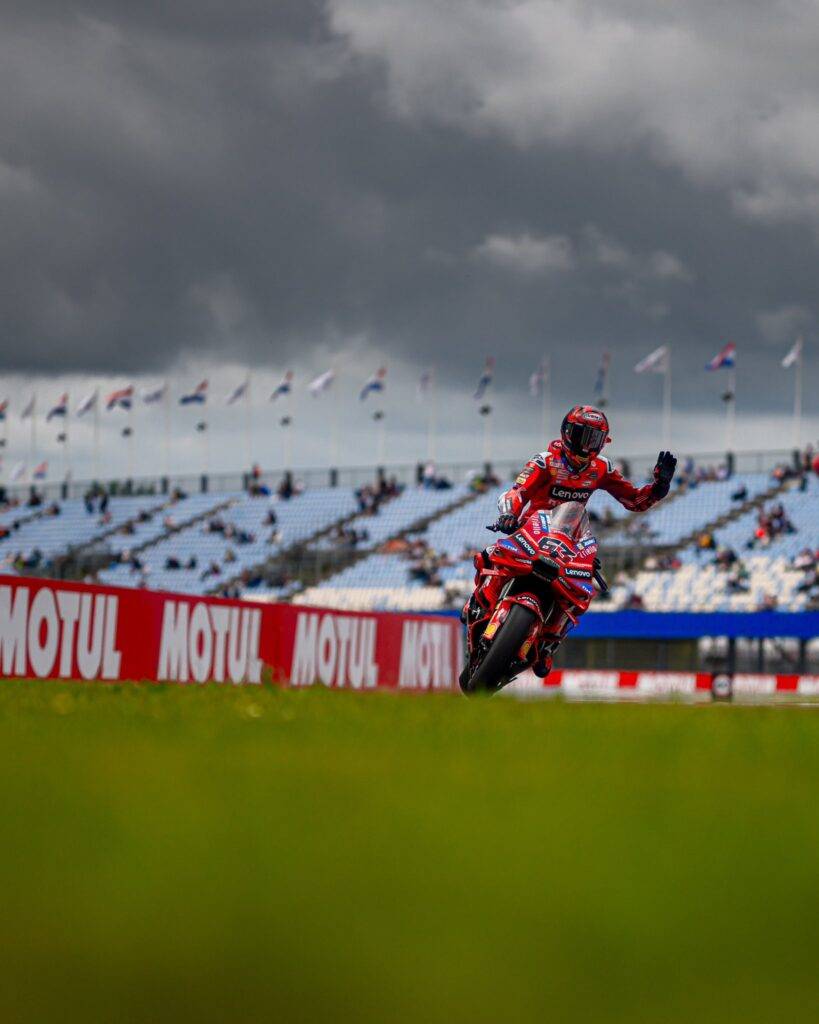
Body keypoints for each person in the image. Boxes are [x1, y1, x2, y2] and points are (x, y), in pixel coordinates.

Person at [474, 405, 676, 678]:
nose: (584, 444)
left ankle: (548, 645)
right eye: (580, 434)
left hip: (570, 538)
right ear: (566, 432)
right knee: (490, 554)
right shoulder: (545, 461)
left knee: (584, 590)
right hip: (532, 530)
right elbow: (517, 491)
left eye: (592, 439)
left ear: (602, 443)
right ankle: (479, 602)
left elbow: (634, 500)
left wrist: (659, 489)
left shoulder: (602, 468)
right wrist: (509, 514)